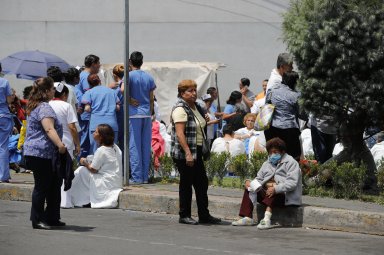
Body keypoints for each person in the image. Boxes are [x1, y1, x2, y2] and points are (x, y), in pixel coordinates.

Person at [171, 79, 221, 225]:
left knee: (201, 183)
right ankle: (184, 214)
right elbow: (180, 134)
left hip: (197, 149)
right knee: (186, 183)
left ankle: (204, 214)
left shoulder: (196, 107)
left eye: (194, 90)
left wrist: (205, 119)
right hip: (186, 151)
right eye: (190, 91)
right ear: (182, 93)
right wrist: (187, 153)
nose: (194, 93)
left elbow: (201, 123)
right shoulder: (180, 109)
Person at [24, 77, 67, 230]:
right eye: (52, 89)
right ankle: (37, 220)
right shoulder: (44, 107)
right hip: (41, 153)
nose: (54, 91)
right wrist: (60, 145)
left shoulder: (36, 106)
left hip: (39, 153)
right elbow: (49, 128)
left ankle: (52, 217)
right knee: (42, 186)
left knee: (54, 184)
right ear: (47, 91)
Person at [231, 138, 302, 229]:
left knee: (272, 190)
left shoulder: (291, 163)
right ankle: (247, 217)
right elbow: (259, 178)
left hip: (285, 197)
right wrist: (250, 182)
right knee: (250, 188)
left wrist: (275, 189)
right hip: (268, 192)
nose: (272, 155)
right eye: (270, 152)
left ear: (282, 152)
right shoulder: (267, 163)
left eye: (275, 152)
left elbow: (292, 183)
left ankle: (266, 219)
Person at [69, 124, 122, 208]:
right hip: (115, 181)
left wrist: (84, 162)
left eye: (96, 132)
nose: (93, 133)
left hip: (105, 182)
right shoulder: (116, 148)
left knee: (81, 171)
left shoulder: (102, 150)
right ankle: (83, 198)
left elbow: (93, 169)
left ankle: (78, 199)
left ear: (101, 137)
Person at [128, 51, 156, 184]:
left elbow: (122, 90)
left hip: (134, 114)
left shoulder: (129, 76)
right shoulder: (149, 77)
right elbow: (151, 98)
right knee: (145, 146)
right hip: (146, 114)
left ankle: (137, 177)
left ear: (130, 62)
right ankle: (144, 177)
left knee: (135, 146)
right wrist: (151, 111)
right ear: (142, 62)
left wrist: (128, 99)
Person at [264, 71, 302, 161]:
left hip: (272, 128)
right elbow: (302, 114)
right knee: (293, 158)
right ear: (295, 82)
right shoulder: (296, 95)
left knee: (274, 157)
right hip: (290, 129)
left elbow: (267, 107)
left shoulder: (272, 90)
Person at [82, 74, 120, 155]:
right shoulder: (111, 91)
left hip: (96, 125)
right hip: (111, 124)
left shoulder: (89, 92)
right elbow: (117, 107)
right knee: (113, 150)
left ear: (89, 84)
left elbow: (87, 108)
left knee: (95, 151)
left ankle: (97, 167)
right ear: (100, 81)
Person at [76, 54, 101, 158]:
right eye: (98, 64)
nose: (99, 66)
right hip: (86, 114)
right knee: (85, 141)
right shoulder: (86, 77)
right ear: (93, 64)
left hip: (84, 113)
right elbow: (91, 93)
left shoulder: (82, 75)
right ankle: (80, 165)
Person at [0, 63, 14, 183]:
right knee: (3, 146)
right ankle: (3, 175)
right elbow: (9, 100)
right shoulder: (4, 82)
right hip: (3, 115)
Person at [108, 64, 125, 153]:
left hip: (115, 115)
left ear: (114, 75)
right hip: (125, 114)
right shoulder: (126, 84)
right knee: (124, 141)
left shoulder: (113, 88)